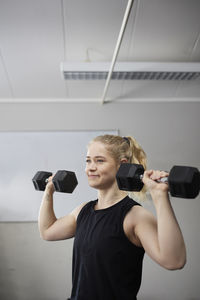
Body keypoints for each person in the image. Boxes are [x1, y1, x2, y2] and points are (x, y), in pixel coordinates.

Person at [38, 134, 186, 300]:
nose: (90, 168)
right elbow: (47, 231)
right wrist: (48, 191)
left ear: (121, 165)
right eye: (88, 161)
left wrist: (159, 196)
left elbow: (174, 261)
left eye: (99, 161)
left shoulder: (135, 216)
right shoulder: (83, 211)